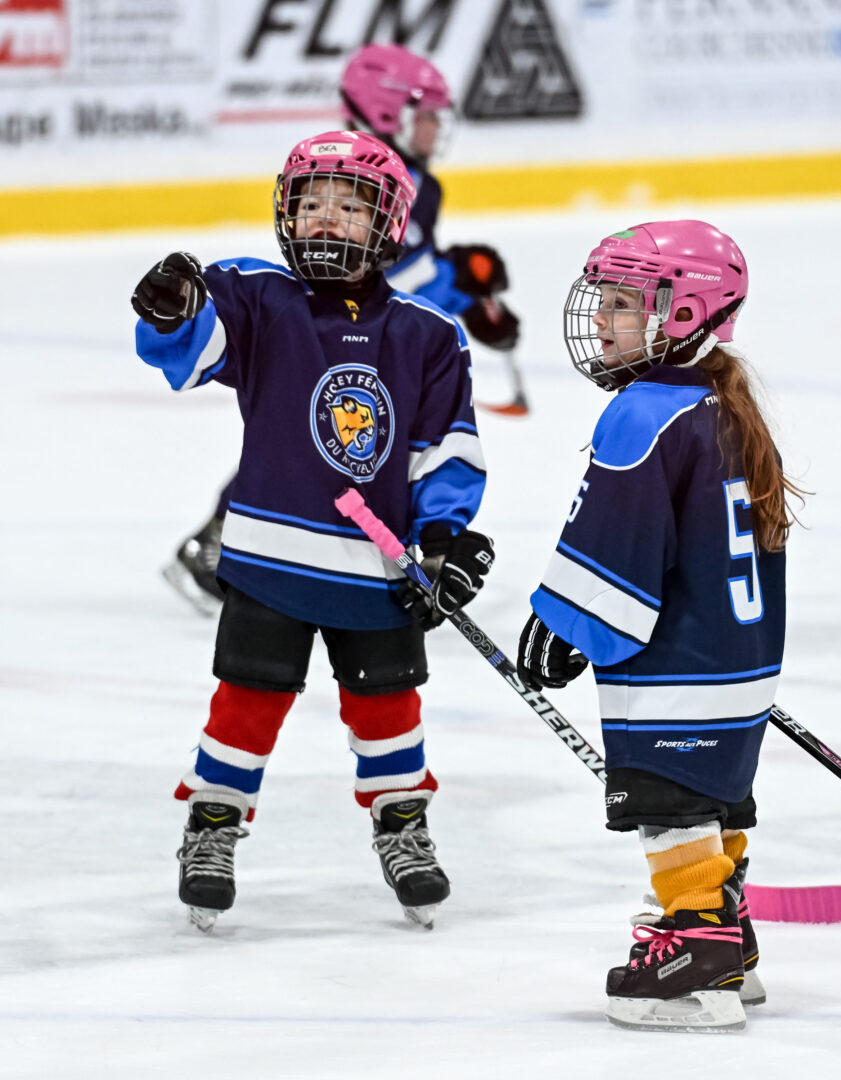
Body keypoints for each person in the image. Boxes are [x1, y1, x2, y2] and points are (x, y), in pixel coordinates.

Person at [131, 130, 494, 932]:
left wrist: (444, 538)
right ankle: (213, 827)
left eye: (349, 206)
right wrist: (169, 315)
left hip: (378, 570)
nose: (327, 218)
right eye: (312, 202)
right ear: (286, 214)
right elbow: (190, 356)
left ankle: (403, 827)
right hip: (268, 561)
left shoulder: (430, 334)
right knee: (245, 706)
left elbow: (447, 451)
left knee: (388, 709)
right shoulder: (257, 296)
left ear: (388, 223)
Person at [516, 220, 802, 1033]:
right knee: (714, 799)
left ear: (682, 313)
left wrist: (564, 624)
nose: (601, 320)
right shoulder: (723, 403)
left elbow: (618, 539)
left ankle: (696, 950)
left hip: (677, 668)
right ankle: (727, 931)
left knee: (670, 806)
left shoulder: (644, 413)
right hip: (737, 666)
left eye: (621, 303)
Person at [162, 43, 521, 616]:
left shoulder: (410, 179)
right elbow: (397, 269)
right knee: (303, 433)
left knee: (325, 433)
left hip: (355, 325)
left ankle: (222, 539)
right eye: (425, 115)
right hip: (321, 321)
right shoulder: (382, 177)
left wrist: (465, 284)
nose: (434, 128)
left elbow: (405, 270)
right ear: (388, 113)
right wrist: (463, 285)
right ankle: (219, 539)